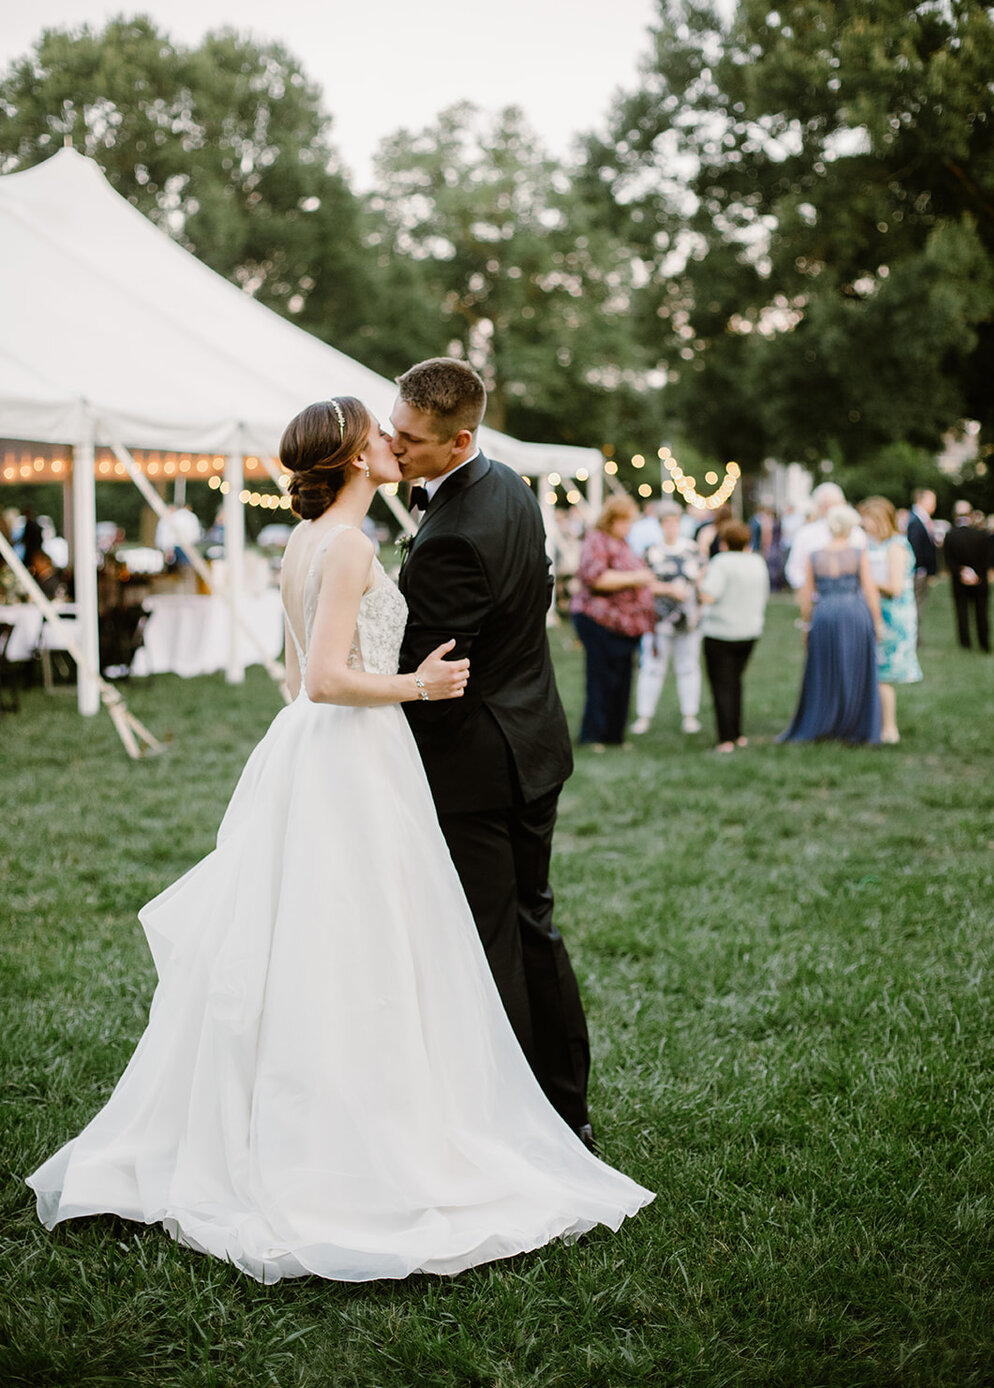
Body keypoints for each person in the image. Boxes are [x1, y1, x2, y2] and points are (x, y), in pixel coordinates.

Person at [26, 395, 653, 1284]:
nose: (391, 443)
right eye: (378, 435)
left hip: (315, 756)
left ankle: (320, 1110)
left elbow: (295, 682)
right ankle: (368, 1133)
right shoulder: (353, 544)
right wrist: (418, 688)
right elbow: (324, 679)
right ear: (357, 460)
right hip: (354, 750)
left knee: (321, 945)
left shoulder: (305, 540)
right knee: (369, 943)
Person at [390, 360, 595, 1151]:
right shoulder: (510, 485)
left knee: (488, 942)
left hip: (474, 766)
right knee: (532, 925)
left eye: (411, 440)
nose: (395, 447)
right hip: (535, 741)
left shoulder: (454, 540)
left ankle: (514, 1123)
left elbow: (429, 675)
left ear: (459, 440)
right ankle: (566, 1106)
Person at [779, 504, 883, 745]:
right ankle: (855, 724)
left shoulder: (815, 556)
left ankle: (823, 721)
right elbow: (870, 591)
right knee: (855, 667)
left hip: (824, 614)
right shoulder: (858, 553)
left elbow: (805, 597)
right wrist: (877, 622)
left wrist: (806, 625)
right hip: (854, 614)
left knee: (823, 668)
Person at [569, 494, 657, 750]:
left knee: (622, 680)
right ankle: (593, 735)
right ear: (612, 519)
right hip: (598, 620)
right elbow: (596, 579)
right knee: (601, 679)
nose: (628, 526)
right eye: (625, 521)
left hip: (625, 627)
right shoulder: (597, 540)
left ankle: (614, 735)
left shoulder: (624, 544)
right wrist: (637, 578)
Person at [631, 501, 704, 736]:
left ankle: (690, 715)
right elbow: (643, 584)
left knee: (688, 666)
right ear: (660, 525)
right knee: (652, 667)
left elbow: (702, 578)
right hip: (659, 620)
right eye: (666, 523)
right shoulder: (651, 552)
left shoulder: (691, 550)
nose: (671, 527)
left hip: (688, 620)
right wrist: (668, 590)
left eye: (675, 522)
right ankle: (644, 715)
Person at [698, 519, 770, 753]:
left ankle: (726, 738)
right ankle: (737, 733)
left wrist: (699, 579)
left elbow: (709, 595)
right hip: (749, 631)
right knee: (736, 682)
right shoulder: (757, 562)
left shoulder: (721, 562)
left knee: (722, 685)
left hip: (721, 632)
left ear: (724, 542)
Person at [859, 496, 922, 745]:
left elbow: (895, 587)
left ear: (880, 519)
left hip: (892, 617)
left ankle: (889, 728)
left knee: (883, 675)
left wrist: (864, 582)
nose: (863, 523)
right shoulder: (871, 543)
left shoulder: (896, 546)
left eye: (868, 518)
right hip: (873, 612)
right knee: (873, 673)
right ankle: (873, 724)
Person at [784, 482, 865, 590]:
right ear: (819, 507)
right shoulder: (805, 534)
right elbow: (794, 568)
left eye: (835, 505)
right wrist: (808, 589)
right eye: (826, 505)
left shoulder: (857, 533)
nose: (831, 510)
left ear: (843, 504)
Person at [942, 501, 991, 653]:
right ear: (971, 515)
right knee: (981, 612)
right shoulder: (982, 534)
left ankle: (965, 644)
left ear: (955, 516)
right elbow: (987, 559)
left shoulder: (950, 536)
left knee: (962, 612)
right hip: (980, 580)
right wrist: (976, 575)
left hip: (959, 580)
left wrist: (962, 572)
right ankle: (984, 644)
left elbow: (948, 561)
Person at [906, 488, 938, 629]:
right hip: (918, 571)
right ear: (921, 500)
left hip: (923, 571)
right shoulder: (914, 520)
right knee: (916, 604)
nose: (934, 504)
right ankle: (915, 636)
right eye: (932, 500)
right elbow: (915, 548)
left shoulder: (922, 519)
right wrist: (921, 569)